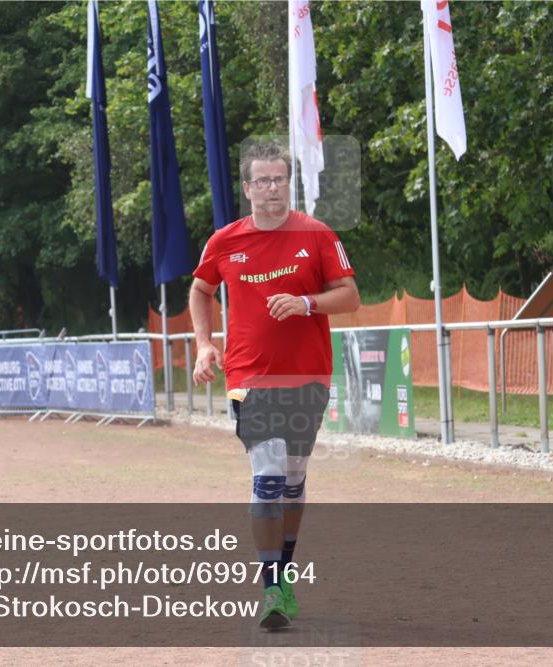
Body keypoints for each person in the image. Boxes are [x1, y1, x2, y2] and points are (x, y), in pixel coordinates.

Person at [189, 142, 360, 630]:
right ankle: (271, 590)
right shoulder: (224, 241)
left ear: (289, 183)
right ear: (246, 188)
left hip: (307, 376)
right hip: (249, 377)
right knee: (266, 478)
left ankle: (284, 568)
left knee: (291, 481)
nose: (271, 188)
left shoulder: (318, 234)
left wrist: (306, 303)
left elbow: (349, 295)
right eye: (262, 180)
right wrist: (205, 346)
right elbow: (201, 289)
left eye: (279, 179)